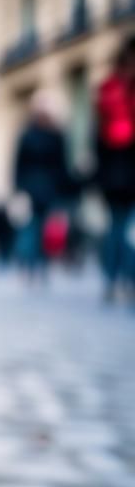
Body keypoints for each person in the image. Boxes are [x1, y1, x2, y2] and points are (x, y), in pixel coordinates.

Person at [12, 91, 72, 279]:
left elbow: (19, 165)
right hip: (43, 188)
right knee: (37, 228)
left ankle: (34, 264)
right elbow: (61, 166)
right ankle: (35, 264)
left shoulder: (30, 135)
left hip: (37, 188)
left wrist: (18, 187)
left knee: (37, 228)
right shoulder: (52, 135)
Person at [94, 35, 135, 301]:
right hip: (121, 172)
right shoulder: (116, 93)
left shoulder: (107, 90)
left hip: (113, 172)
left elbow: (96, 138)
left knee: (119, 227)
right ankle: (121, 280)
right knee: (123, 227)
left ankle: (114, 280)